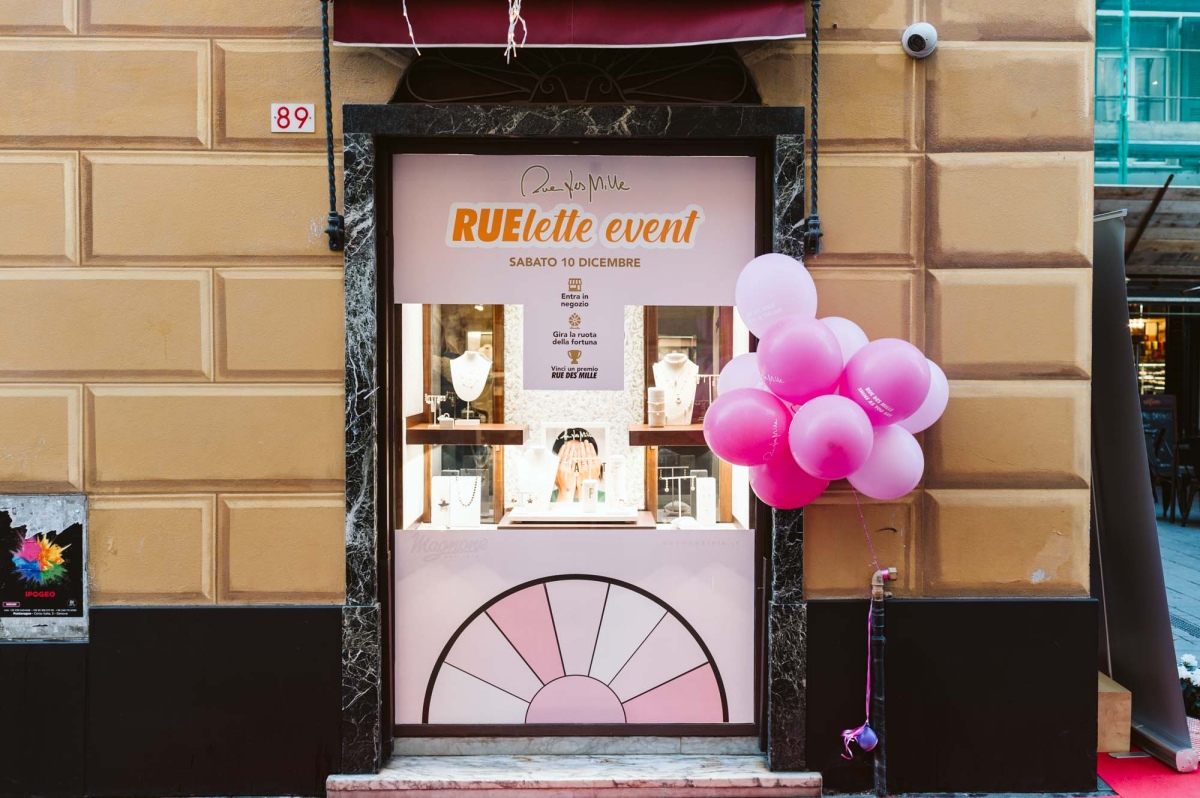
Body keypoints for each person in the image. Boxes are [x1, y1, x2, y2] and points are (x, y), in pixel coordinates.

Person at [551, 428, 603, 503]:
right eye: (569, 456)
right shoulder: (546, 499)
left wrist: (586, 488)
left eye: (582, 458)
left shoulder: (607, 499)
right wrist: (565, 492)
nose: (576, 464)